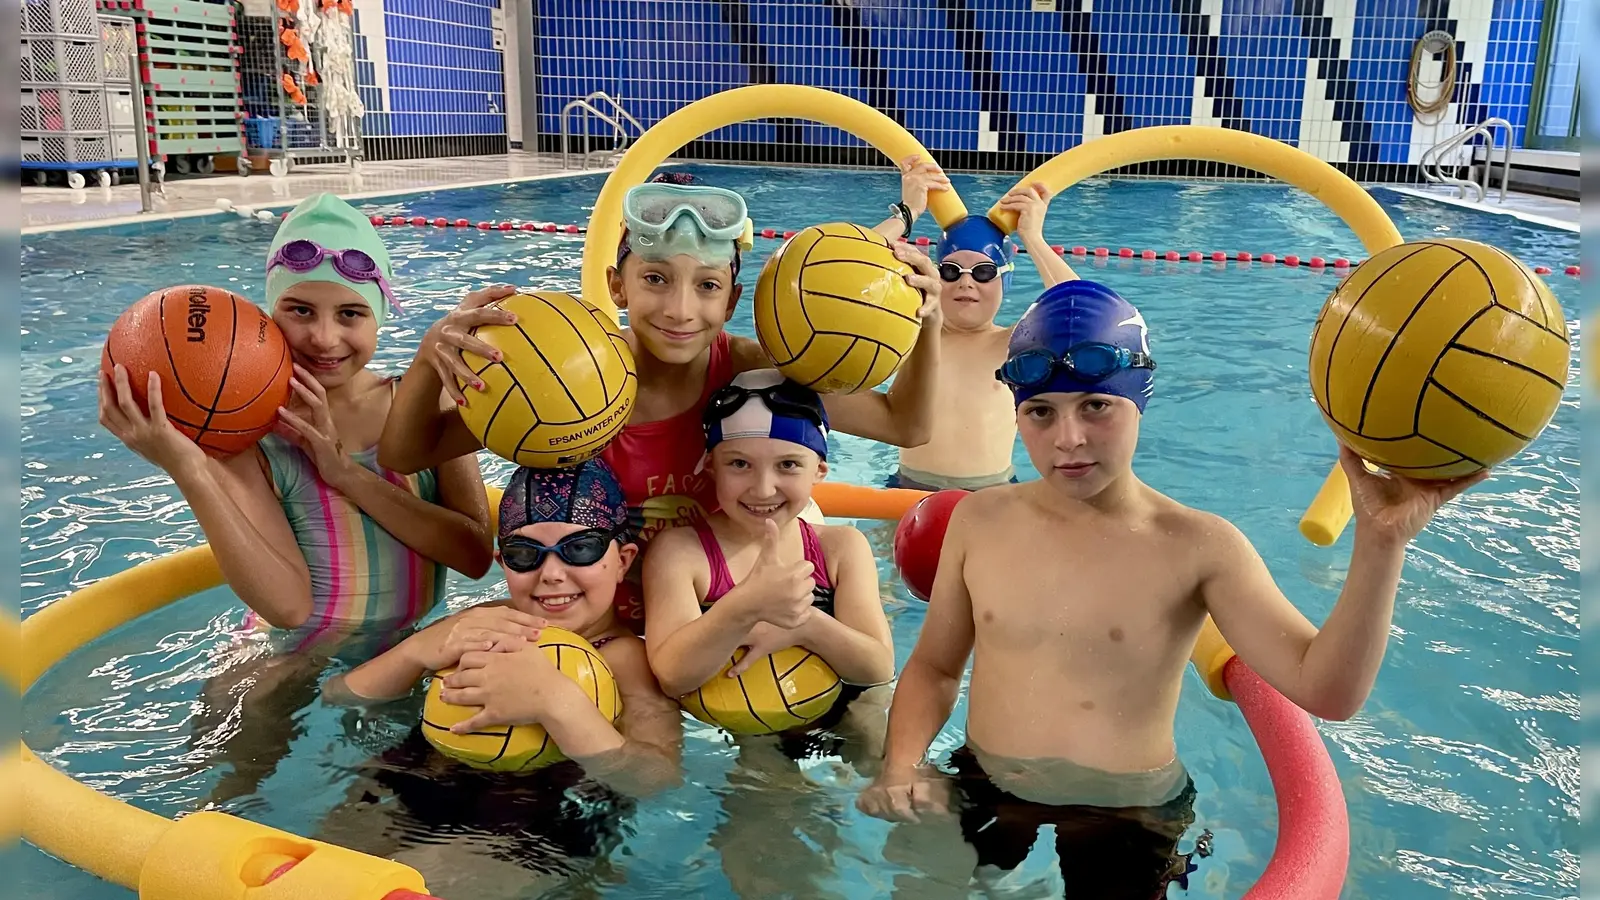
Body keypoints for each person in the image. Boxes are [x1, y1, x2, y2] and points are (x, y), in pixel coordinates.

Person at [856, 280, 1488, 897]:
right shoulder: (978, 520)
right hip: (986, 782)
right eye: (1040, 412)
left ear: (1140, 400)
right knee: (918, 883)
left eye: (1096, 406)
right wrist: (901, 764)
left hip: (1129, 812)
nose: (1067, 438)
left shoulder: (1198, 545)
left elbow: (1327, 690)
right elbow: (937, 667)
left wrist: (1381, 544)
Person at [378, 165, 947, 633]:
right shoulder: (570, 378)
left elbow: (905, 425)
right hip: (604, 620)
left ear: (731, 301)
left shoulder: (749, 371)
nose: (680, 309)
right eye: (655, 279)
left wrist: (929, 321)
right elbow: (406, 455)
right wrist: (431, 352)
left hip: (719, 620)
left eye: (706, 285)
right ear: (617, 285)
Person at [98, 191, 494, 656]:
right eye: (300, 310)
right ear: (268, 316)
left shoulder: (425, 403)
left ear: (380, 316)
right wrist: (189, 468)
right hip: (292, 657)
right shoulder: (250, 435)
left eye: (350, 313)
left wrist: (345, 473)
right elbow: (288, 609)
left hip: (413, 650)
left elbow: (473, 556)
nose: (325, 339)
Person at [316, 459, 682, 897]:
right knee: (315, 877)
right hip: (419, 773)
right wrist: (417, 650)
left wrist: (559, 704)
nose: (551, 574)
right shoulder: (485, 621)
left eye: (580, 549)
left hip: (535, 818)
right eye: (525, 555)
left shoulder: (625, 660)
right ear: (502, 563)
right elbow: (338, 695)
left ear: (622, 560)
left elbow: (655, 777)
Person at [640, 368, 896, 898]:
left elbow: (876, 667)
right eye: (739, 464)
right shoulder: (681, 552)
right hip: (742, 729)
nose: (763, 488)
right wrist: (742, 609)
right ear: (709, 467)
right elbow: (670, 675)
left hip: (846, 704)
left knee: (892, 771)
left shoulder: (840, 548)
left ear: (820, 469)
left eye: (788, 465)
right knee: (765, 845)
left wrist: (800, 624)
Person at [890, 182, 1080, 493]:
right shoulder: (912, 332)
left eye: (983, 272)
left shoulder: (1016, 343)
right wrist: (906, 214)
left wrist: (1033, 239)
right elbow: (842, 286)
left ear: (1005, 280)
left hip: (991, 495)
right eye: (951, 271)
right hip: (907, 490)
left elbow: (1082, 312)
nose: (966, 283)